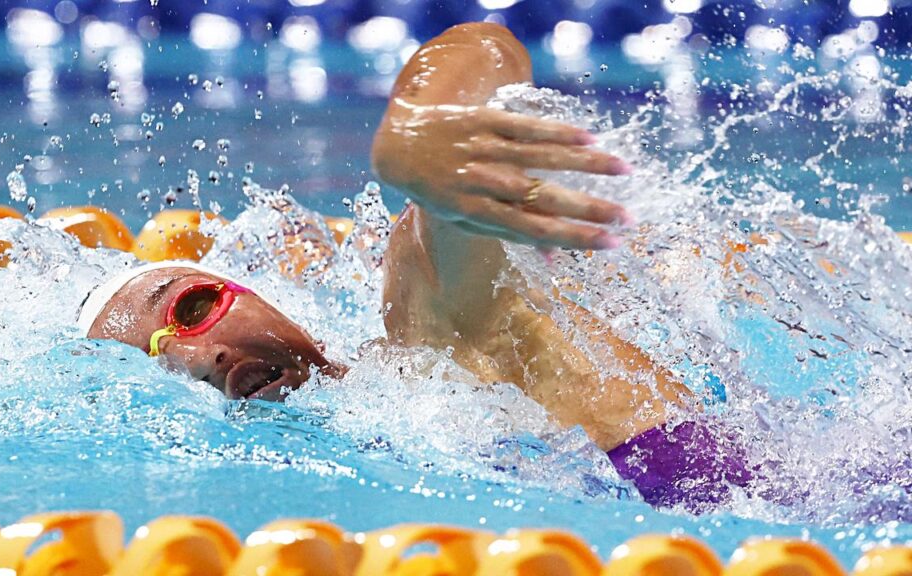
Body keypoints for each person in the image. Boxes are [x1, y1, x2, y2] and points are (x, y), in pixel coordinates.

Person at [77, 23, 751, 509]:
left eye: (191, 309)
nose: (201, 360)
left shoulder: (426, 330)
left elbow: (487, 45)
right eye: (158, 366)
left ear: (247, 290)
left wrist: (418, 139)